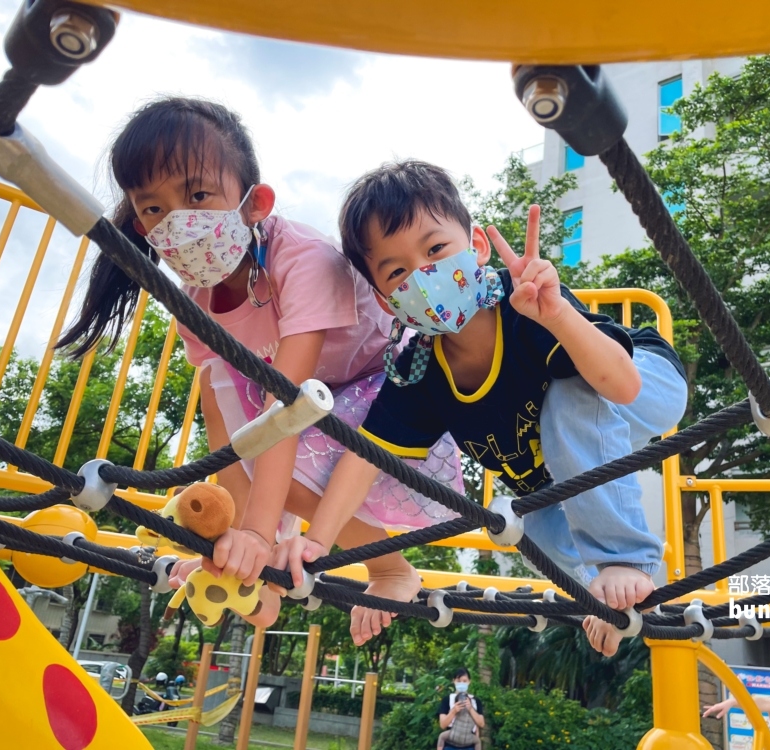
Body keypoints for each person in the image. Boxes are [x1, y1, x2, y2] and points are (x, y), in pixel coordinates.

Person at [57, 100, 463, 638]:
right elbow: (222, 414)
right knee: (240, 436)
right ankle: (265, 577)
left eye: (198, 195)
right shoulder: (196, 298)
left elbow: (288, 406)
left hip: (380, 389)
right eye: (153, 208)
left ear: (255, 203)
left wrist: (252, 529)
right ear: (138, 221)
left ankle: (389, 566)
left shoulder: (303, 260)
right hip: (311, 403)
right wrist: (247, 538)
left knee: (271, 437)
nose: (179, 221)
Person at [271, 160, 687, 652]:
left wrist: (557, 317)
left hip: (637, 376)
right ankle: (605, 596)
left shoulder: (524, 302)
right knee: (529, 527)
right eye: (399, 271)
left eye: (436, 249)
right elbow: (364, 456)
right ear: (387, 302)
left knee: (567, 399)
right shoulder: (420, 371)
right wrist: (318, 544)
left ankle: (626, 558)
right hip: (560, 465)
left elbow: (621, 387)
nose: (425, 276)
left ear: (478, 246)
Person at [437, 669, 484, 750]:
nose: (461, 683)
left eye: (464, 681)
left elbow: (481, 724)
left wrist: (470, 709)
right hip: (450, 744)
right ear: (454, 681)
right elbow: (442, 725)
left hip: (469, 745)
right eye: (458, 681)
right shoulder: (447, 699)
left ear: (469, 681)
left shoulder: (475, 701)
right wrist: (454, 711)